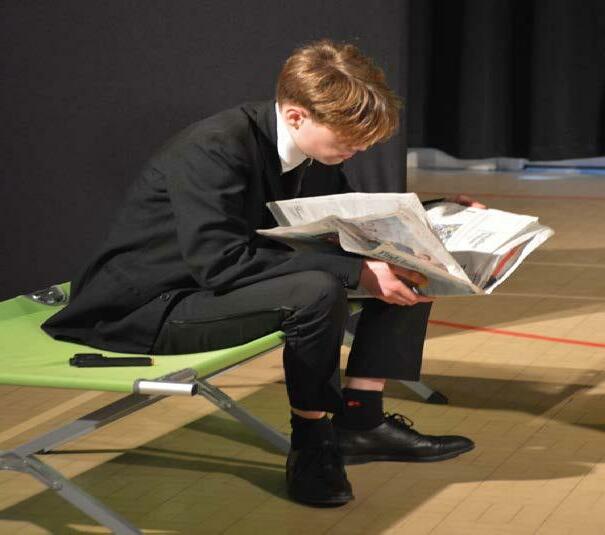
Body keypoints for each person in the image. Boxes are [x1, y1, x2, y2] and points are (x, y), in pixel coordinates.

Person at [42, 39, 478, 507]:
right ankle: (312, 444)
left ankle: (362, 420)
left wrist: (435, 215)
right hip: (150, 306)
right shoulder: (214, 148)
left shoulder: (316, 150)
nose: (359, 149)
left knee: (408, 264)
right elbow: (220, 262)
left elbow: (344, 226)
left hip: (213, 285)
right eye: (348, 140)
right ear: (296, 116)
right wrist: (357, 273)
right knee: (319, 289)